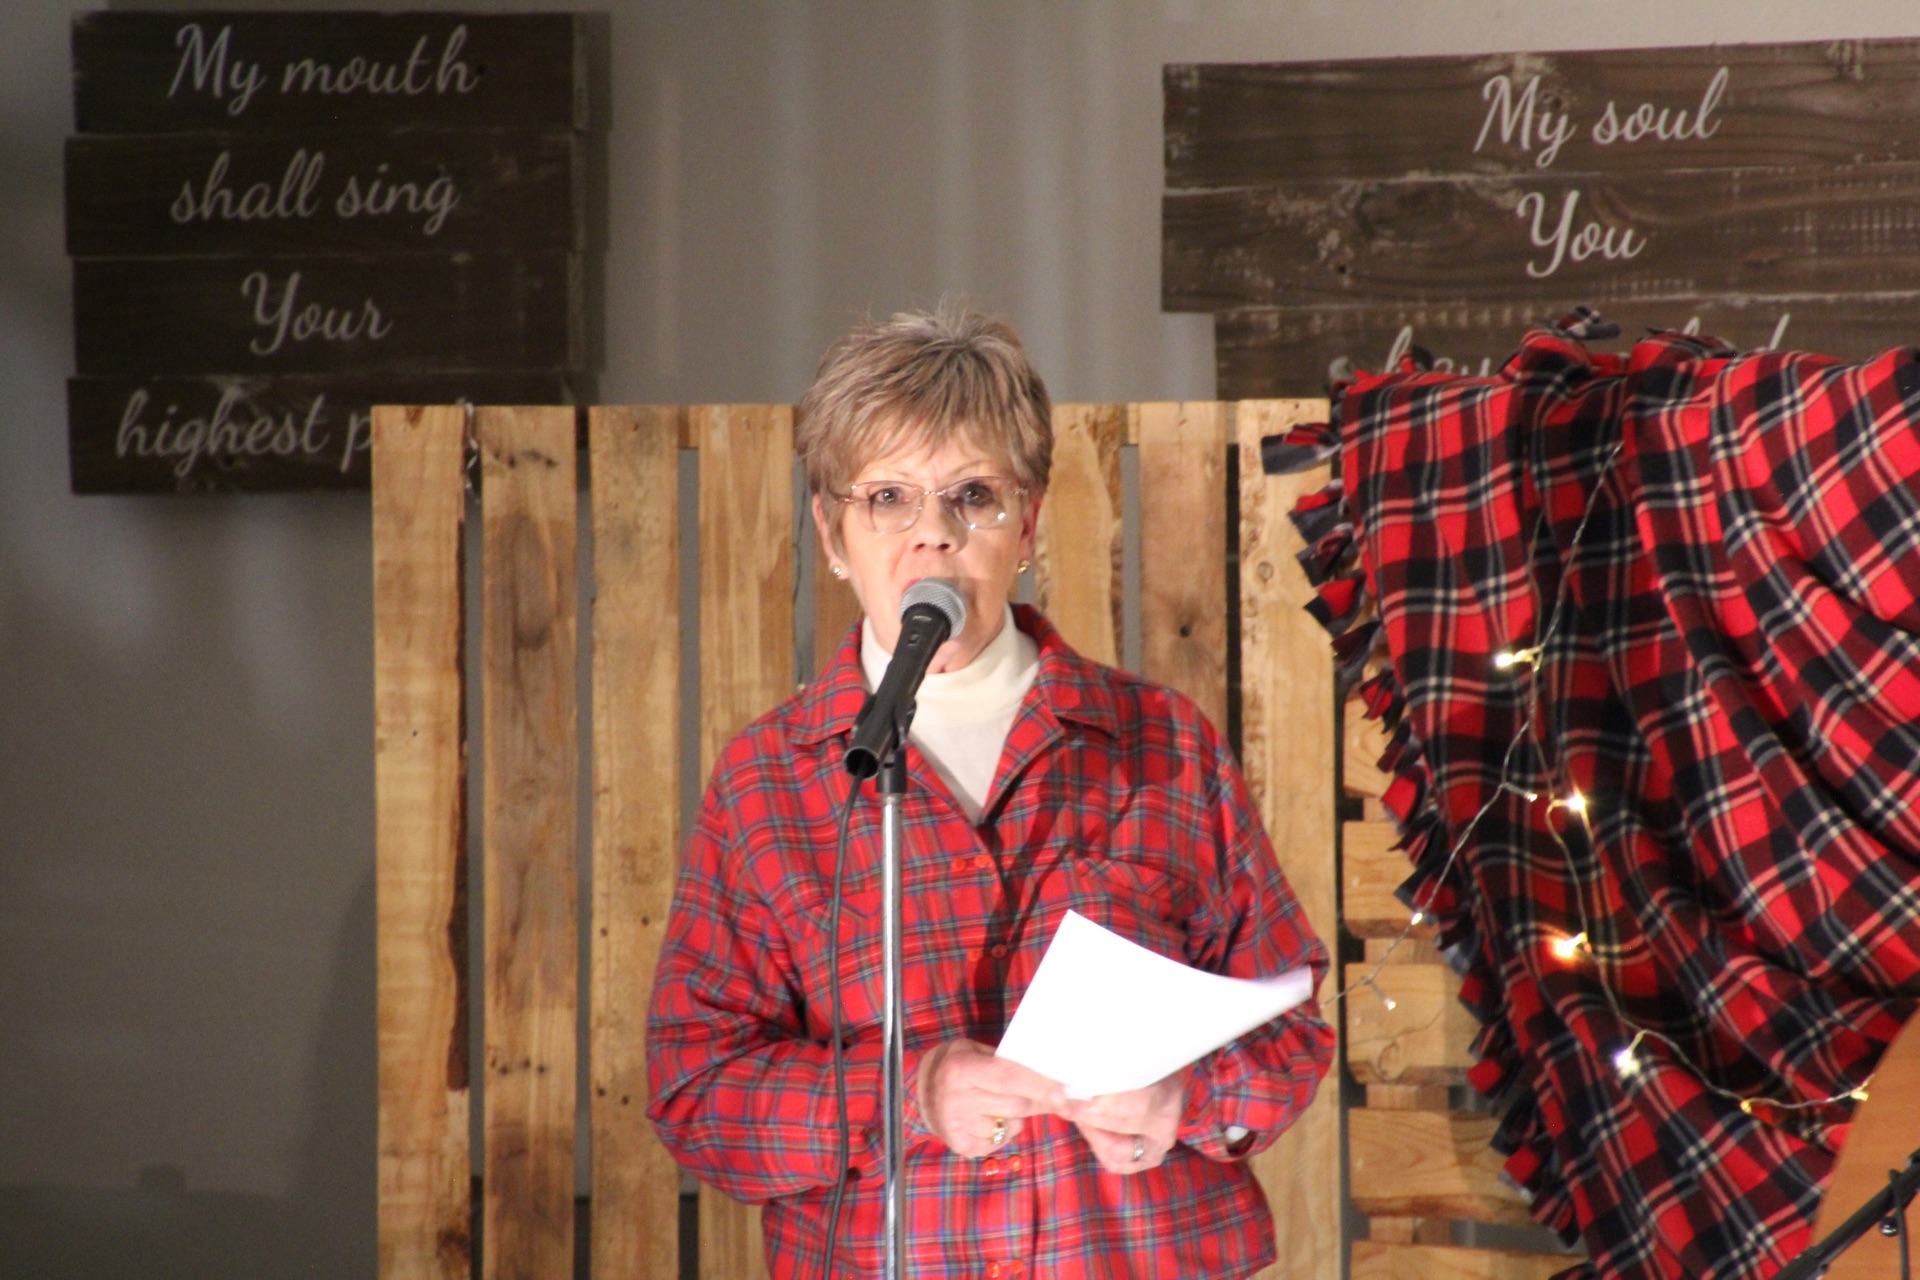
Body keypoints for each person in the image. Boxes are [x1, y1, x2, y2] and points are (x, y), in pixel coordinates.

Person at [647, 306, 1334, 1279]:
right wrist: (910, 1095)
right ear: (833, 534)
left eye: (973, 495)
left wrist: (1188, 1097)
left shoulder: (1162, 742)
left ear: (1028, 525)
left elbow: (1289, 1027)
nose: (933, 534)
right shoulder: (769, 781)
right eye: (889, 497)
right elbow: (698, 1089)